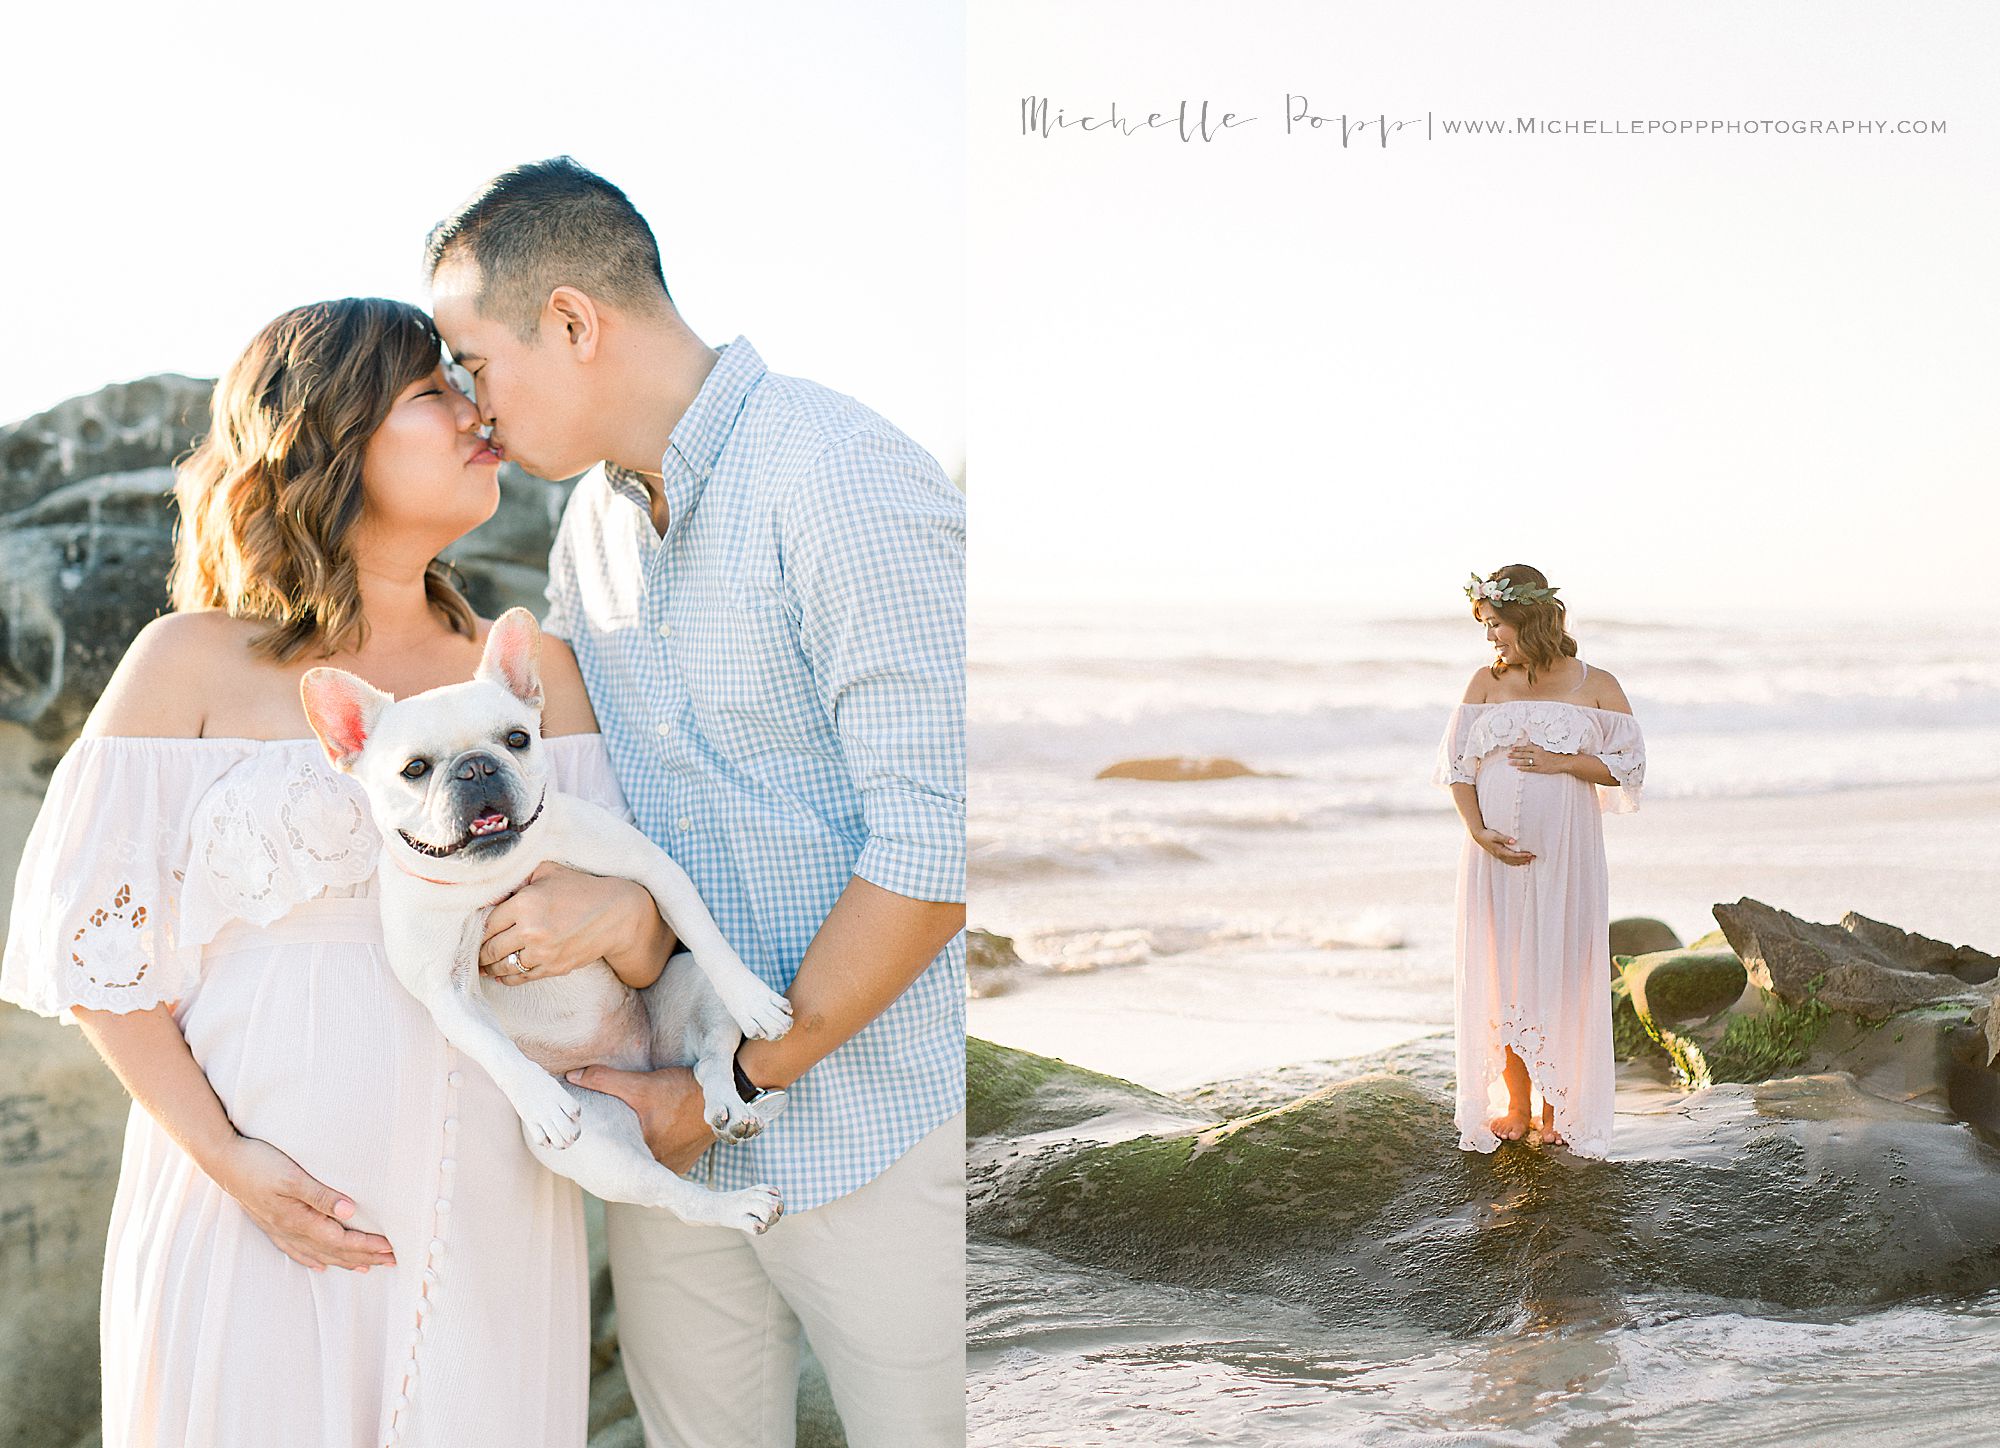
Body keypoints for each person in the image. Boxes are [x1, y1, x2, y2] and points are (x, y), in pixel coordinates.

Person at [0, 298, 671, 1446]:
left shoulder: (528, 674)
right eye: (433, 392)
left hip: (494, 1204)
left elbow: (642, 949)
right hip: (255, 1197)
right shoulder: (190, 662)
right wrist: (232, 1162)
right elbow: (98, 956)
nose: (480, 413)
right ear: (329, 437)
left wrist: (622, 914)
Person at [424, 157, 967, 1447]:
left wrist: (727, 1082)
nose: (466, 403)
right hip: (674, 1136)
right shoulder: (588, 534)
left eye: (470, 359)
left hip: (872, 1123)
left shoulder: (840, 476)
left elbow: (936, 849)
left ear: (569, 319)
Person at [1433, 565, 1645, 1159]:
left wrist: (1563, 763)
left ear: (1530, 619)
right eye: (1486, 627)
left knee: (1559, 965)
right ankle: (1516, 1104)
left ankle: (1559, 1107)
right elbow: (1457, 768)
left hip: (1567, 854)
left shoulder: (1595, 683)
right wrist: (1477, 831)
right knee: (1502, 965)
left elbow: (1627, 766)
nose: (1491, 638)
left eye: (1497, 625)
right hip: (1494, 857)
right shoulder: (1483, 681)